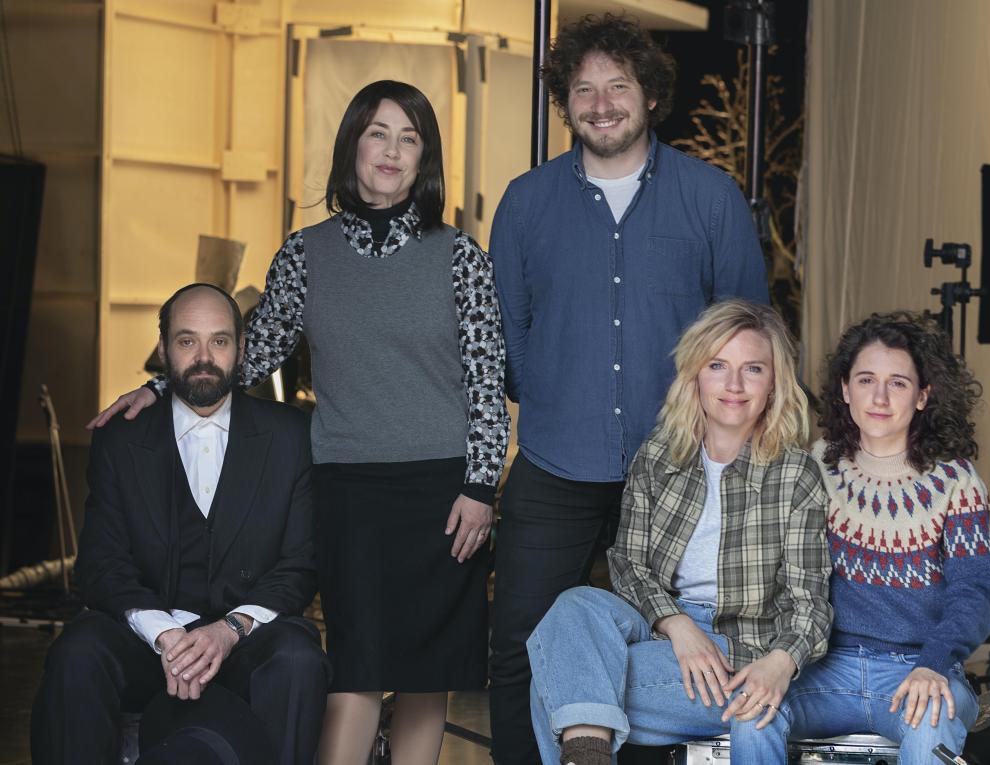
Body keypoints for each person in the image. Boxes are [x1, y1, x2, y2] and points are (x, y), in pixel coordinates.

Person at [88, 80, 509, 765]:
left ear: (424, 157)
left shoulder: (460, 256)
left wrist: (481, 487)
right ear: (353, 145)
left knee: (426, 675)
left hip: (443, 493)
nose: (392, 151)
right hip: (346, 489)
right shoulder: (305, 253)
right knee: (356, 667)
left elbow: (487, 380)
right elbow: (250, 354)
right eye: (378, 133)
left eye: (409, 138)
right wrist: (161, 386)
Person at [487, 13, 769, 762]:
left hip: (682, 467)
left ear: (650, 96)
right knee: (519, 643)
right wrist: (557, 391)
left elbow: (749, 332)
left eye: (618, 86)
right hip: (556, 462)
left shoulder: (710, 198)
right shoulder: (525, 202)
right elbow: (508, 329)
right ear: (564, 102)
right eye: (584, 89)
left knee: (675, 644)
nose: (602, 103)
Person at [33, 283, 329, 765]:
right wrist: (164, 635)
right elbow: (101, 563)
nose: (204, 357)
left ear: (242, 348)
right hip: (146, 643)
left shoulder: (291, 435)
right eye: (187, 340)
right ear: (164, 348)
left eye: (220, 340)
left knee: (298, 658)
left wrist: (228, 630)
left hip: (246, 640)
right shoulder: (119, 438)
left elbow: (300, 564)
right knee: (78, 651)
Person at [527, 300, 832, 765]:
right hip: (657, 628)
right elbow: (627, 563)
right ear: (695, 376)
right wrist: (677, 624)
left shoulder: (795, 472)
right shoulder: (660, 454)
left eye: (753, 369)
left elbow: (810, 603)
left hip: (738, 652)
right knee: (574, 606)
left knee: (558, 679)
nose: (733, 385)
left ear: (774, 384)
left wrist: (779, 663)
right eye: (717, 366)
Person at [785, 313, 990, 765]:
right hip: (827, 669)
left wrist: (934, 662)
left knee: (930, 726)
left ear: (923, 395)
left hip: (922, 668)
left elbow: (976, 589)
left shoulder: (955, 481)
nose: (879, 397)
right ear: (846, 389)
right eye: (866, 380)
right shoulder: (817, 465)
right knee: (755, 710)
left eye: (898, 383)